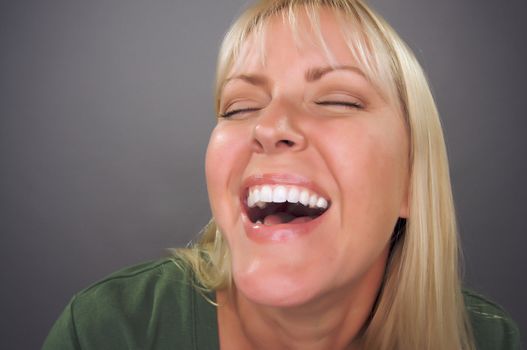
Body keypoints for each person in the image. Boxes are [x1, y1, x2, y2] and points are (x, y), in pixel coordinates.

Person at [43, 0, 521, 349]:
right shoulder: (110, 330)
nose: (269, 126)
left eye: (337, 100)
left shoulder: (484, 338)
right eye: (240, 106)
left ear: (411, 181)